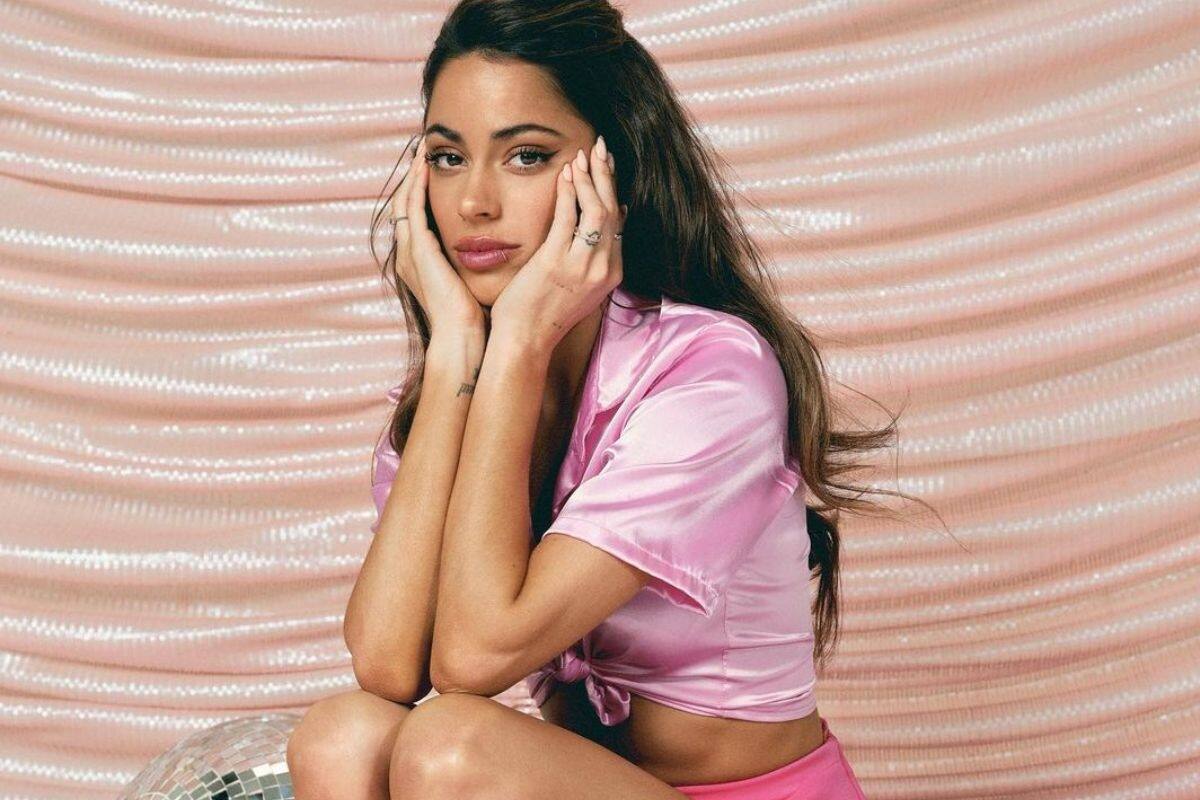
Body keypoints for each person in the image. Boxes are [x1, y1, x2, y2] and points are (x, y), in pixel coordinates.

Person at [288, 1, 936, 797]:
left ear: (615, 176)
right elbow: (389, 666)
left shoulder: (710, 372)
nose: (474, 202)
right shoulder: (451, 394)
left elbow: (476, 657)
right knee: (342, 737)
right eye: (448, 158)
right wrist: (459, 351)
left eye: (526, 156)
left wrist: (520, 345)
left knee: (452, 750)